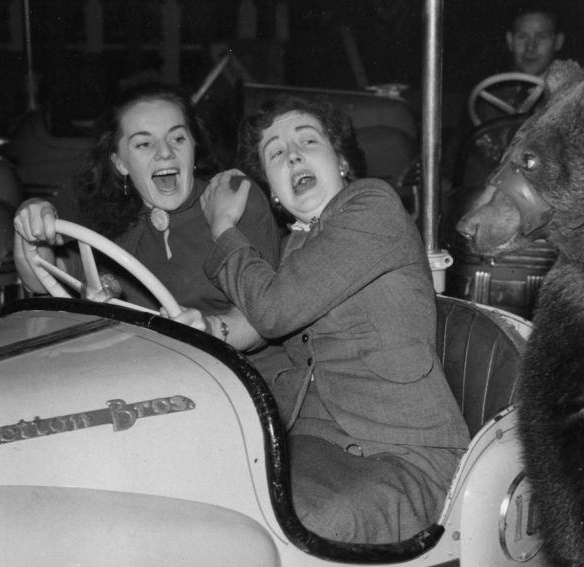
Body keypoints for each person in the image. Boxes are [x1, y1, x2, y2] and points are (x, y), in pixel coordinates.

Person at [196, 95, 471, 544]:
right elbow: (264, 320)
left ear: (341, 160)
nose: (293, 156)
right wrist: (205, 328)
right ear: (274, 192)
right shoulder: (297, 246)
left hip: (401, 450)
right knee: (213, 501)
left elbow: (274, 310)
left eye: (307, 141)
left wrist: (222, 227)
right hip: (315, 442)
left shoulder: (372, 205)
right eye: (275, 153)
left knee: (278, 529)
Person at [13, 85, 282, 352]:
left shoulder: (232, 195)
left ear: (193, 145)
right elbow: (39, 277)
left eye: (178, 139)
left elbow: (263, 319)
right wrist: (29, 220)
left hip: (237, 369)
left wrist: (210, 329)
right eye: (144, 144)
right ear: (120, 163)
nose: (165, 152)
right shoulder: (116, 224)